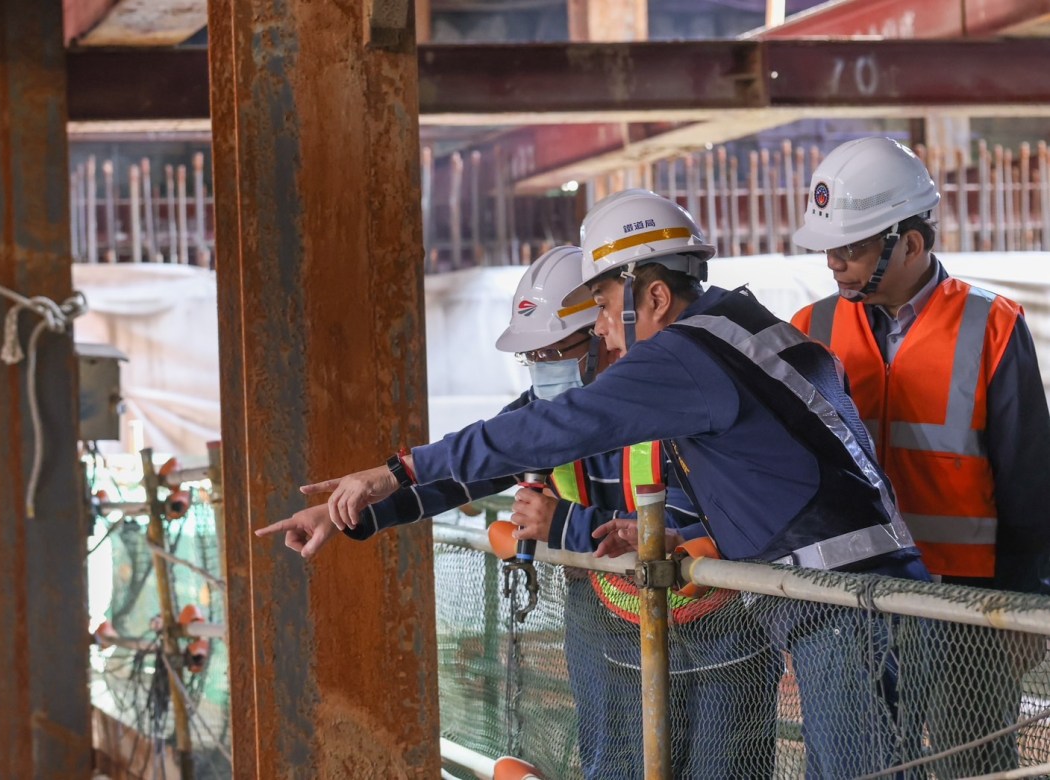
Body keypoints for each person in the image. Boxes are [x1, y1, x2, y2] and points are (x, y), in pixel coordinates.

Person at [307, 189, 931, 779]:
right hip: (852, 593)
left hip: (833, 604)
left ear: (653, 298)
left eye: (605, 307)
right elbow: (768, 472)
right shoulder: (739, 326)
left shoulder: (682, 357)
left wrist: (397, 470)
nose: (605, 326)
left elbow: (542, 432)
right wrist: (361, 509)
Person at [791, 136, 1050, 777]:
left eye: (851, 247)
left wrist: (1022, 603)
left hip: (967, 604)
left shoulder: (992, 325)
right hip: (847, 598)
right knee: (864, 767)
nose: (834, 265)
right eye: (830, 248)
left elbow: (1029, 479)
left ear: (909, 242)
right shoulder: (807, 329)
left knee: (978, 764)